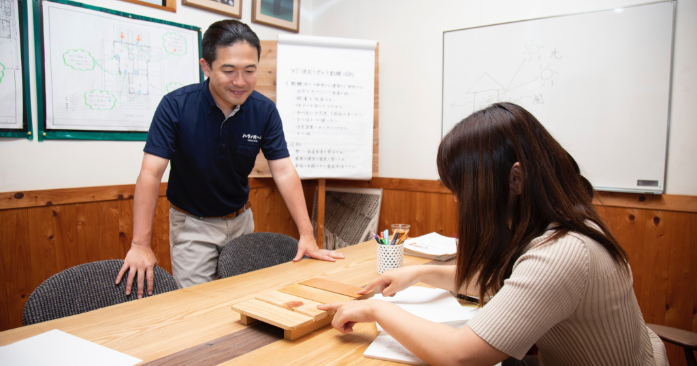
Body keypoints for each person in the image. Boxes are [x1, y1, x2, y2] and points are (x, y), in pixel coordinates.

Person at [318, 103, 668, 366]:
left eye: (463, 187)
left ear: (516, 178)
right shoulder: (562, 225)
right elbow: (506, 286)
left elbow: (460, 355)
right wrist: (421, 272)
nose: (458, 199)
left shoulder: (562, 253)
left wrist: (377, 312)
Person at [115, 20, 343, 296]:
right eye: (229, 70)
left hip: (241, 221)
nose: (240, 82)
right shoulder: (175, 106)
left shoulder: (264, 110)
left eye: (249, 71)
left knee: (246, 299)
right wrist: (140, 244)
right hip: (192, 225)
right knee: (199, 306)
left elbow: (283, 171)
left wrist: (307, 235)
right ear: (206, 67)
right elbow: (150, 174)